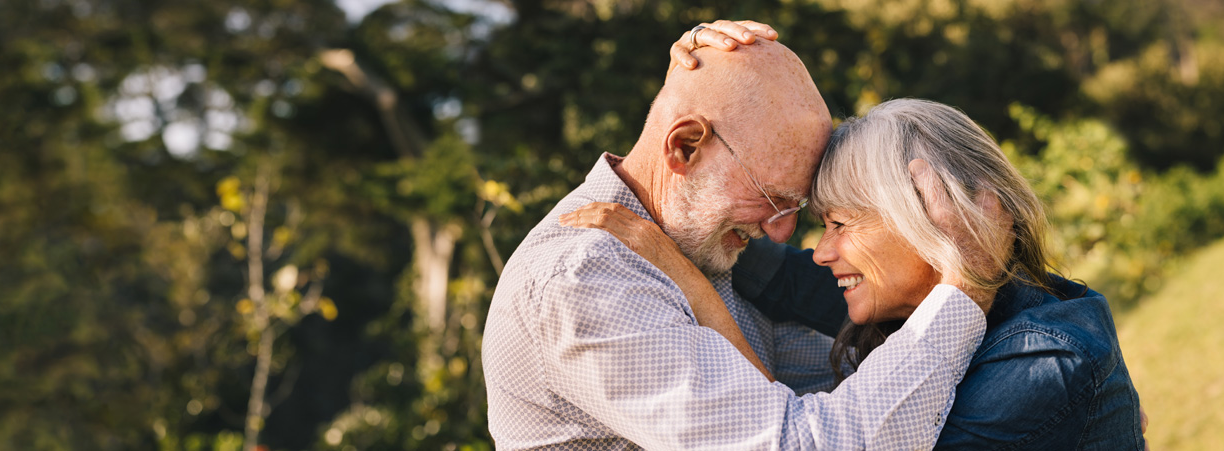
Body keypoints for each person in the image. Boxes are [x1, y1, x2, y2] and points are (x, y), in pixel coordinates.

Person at [483, 23, 1004, 450]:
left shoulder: (700, 246)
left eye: (797, 208)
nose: (781, 232)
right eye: (772, 197)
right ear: (684, 148)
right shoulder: (586, 277)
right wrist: (969, 285)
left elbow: (838, 386)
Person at [565, 97, 1146, 449]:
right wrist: (699, 76)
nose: (822, 251)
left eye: (841, 223)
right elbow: (772, 272)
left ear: (932, 219)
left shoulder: (1041, 361)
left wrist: (690, 285)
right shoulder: (916, 304)